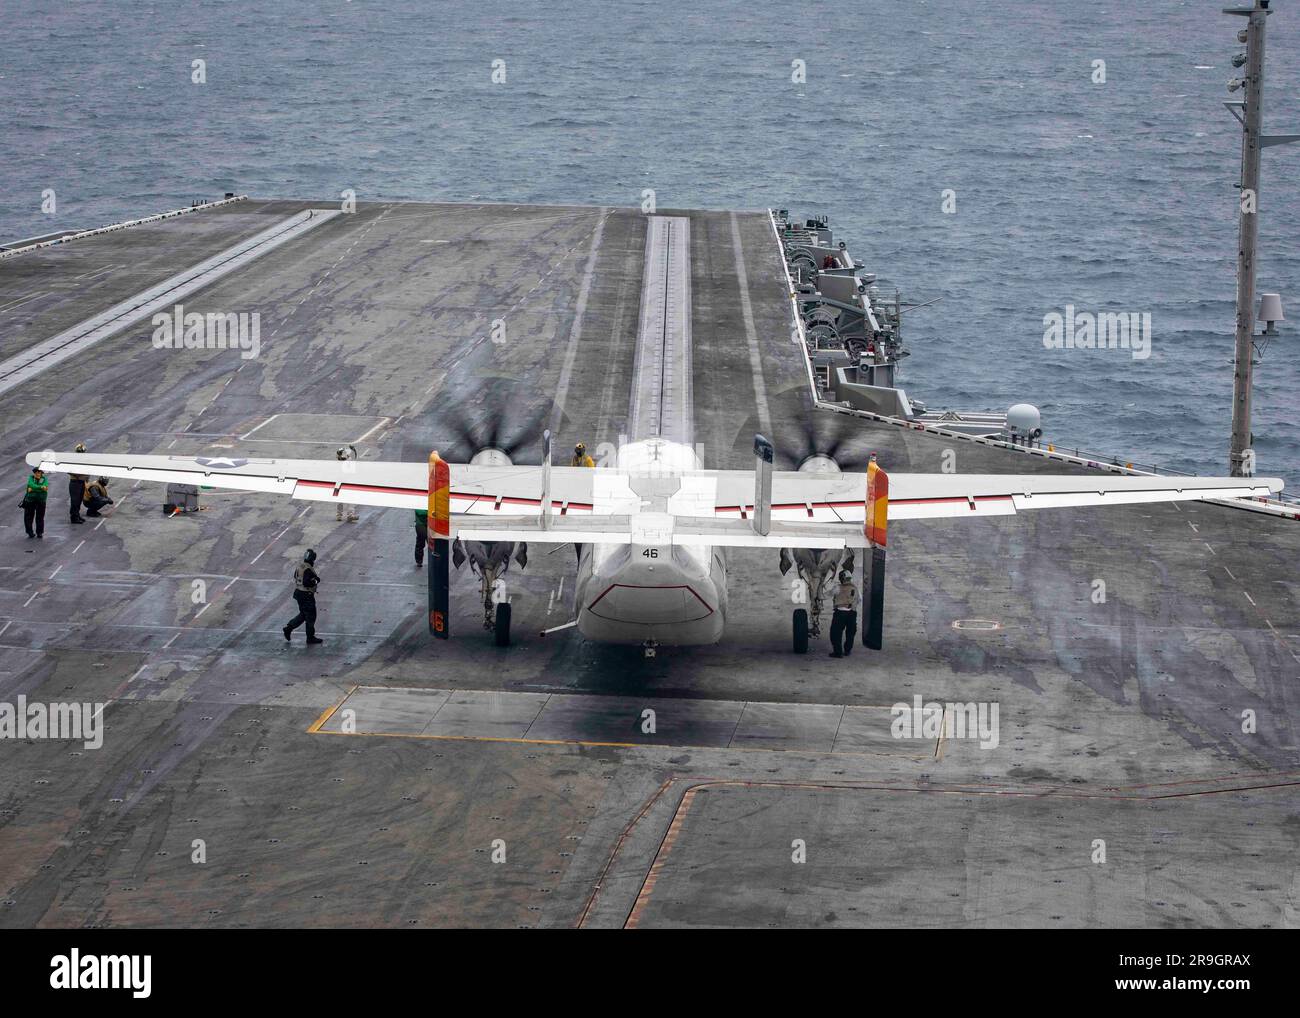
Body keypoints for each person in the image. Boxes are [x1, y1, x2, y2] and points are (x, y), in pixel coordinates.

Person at [283, 549, 323, 644]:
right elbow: (307, 582)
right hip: (306, 595)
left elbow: (296, 577)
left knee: (304, 614)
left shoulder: (300, 566)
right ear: (312, 559)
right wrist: (316, 580)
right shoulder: (308, 569)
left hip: (299, 593)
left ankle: (289, 628)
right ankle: (310, 637)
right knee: (311, 616)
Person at [828, 569, 858, 658]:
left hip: (840, 613)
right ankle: (847, 650)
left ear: (841, 578)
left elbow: (828, 594)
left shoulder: (838, 587)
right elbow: (858, 599)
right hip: (851, 614)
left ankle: (838, 652)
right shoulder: (854, 588)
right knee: (850, 633)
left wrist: (818, 595)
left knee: (835, 633)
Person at [22, 466, 48, 539]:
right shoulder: (31, 478)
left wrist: (33, 489)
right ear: (34, 473)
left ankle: (39, 532)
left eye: (39, 472)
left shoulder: (45, 479)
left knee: (40, 517)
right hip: (30, 500)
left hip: (41, 500)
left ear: (42, 473)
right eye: (36, 472)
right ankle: (30, 532)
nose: (38, 473)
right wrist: (40, 488)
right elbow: (31, 485)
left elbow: (45, 487)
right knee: (28, 517)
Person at [335, 446, 358, 522]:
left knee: (344, 499)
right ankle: (347, 515)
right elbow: (354, 458)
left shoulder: (342, 460)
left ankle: (342, 515)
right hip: (343, 482)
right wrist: (353, 451)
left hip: (344, 482)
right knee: (346, 499)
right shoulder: (343, 461)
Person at [68, 443, 87, 525]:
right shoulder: (73, 460)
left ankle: (77, 515)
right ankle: (74, 517)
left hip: (81, 482)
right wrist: (78, 474)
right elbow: (68, 470)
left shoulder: (83, 460)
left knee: (79, 500)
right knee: (75, 501)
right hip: (75, 482)